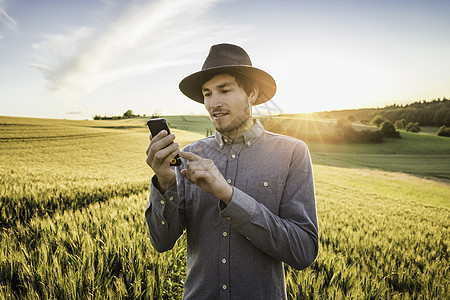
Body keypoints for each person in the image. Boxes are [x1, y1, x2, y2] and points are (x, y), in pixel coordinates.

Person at [145, 43, 318, 299]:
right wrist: (164, 181)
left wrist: (228, 194)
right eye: (207, 94)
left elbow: (303, 251)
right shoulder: (189, 157)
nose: (213, 103)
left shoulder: (291, 152)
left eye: (224, 90)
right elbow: (161, 242)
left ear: (252, 94)